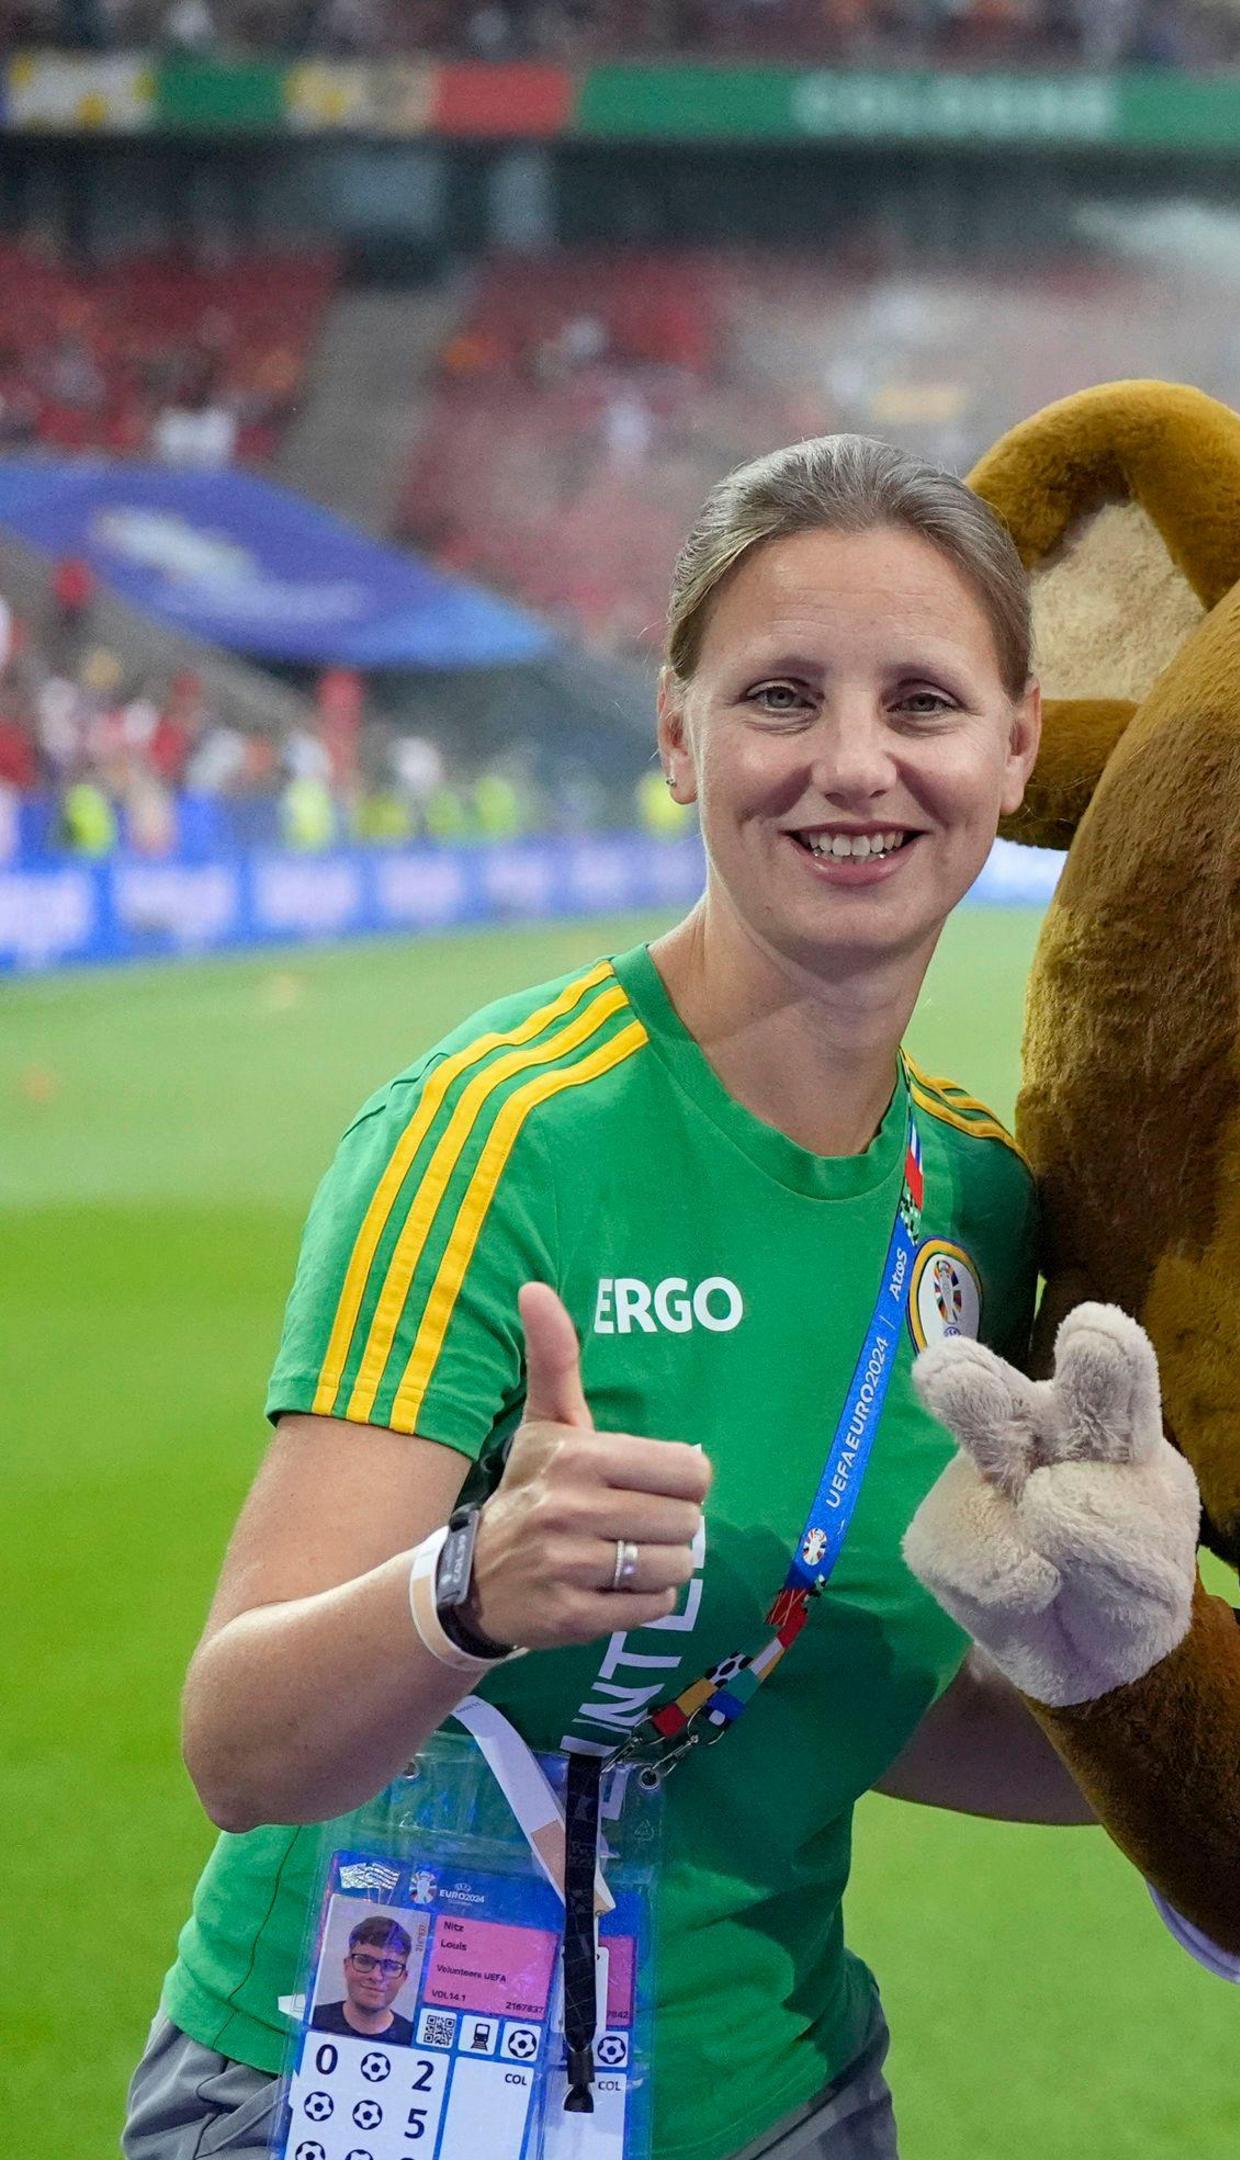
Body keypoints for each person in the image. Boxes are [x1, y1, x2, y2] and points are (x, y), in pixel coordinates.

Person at [131, 434, 1081, 2160]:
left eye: (923, 703)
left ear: (1016, 747)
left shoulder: (988, 1209)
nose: (852, 763)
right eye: (780, 696)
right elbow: (243, 1749)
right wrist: (468, 1587)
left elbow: (852, 1695)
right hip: (366, 2085)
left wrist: (1166, 1713)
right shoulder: (498, 1133)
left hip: (773, 2096)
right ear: (675, 733)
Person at [315, 1917, 418, 2045]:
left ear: (404, 1977)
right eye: (364, 1961)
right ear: (346, 1966)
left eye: (390, 1966)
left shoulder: (415, 2040)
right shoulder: (311, 2022)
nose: (376, 1976)